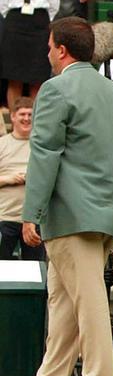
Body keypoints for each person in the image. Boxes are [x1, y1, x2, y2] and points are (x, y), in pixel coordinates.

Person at [8, 18, 113, 376]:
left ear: (62, 50)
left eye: (50, 46)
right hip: (107, 213)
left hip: (71, 214)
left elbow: (45, 154)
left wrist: (31, 212)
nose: (47, 53)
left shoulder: (55, 89)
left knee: (88, 299)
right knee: (64, 299)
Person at [0, 0, 60, 111]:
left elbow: (54, 5)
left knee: (37, 77)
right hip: (15, 24)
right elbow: (3, 4)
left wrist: (40, 22)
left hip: (39, 25)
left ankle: (34, 119)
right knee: (13, 76)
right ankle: (14, 116)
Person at [0, 98, 39, 260]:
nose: (26, 118)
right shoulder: (2, 144)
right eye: (22, 114)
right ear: (13, 117)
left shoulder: (42, 146)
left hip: (34, 221)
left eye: (30, 114)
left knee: (36, 273)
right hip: (4, 218)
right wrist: (9, 179)